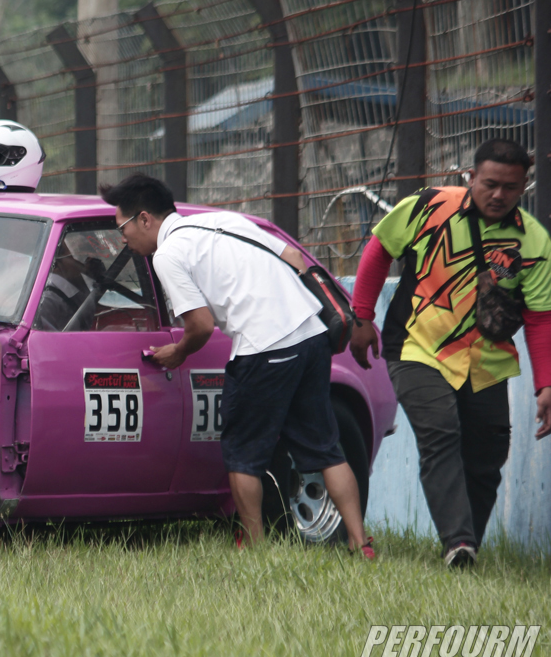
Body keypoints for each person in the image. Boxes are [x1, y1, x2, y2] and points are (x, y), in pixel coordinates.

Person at [103, 173, 371, 554]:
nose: (124, 240)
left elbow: (201, 325)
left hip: (265, 347)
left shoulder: (168, 253)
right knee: (326, 447)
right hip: (312, 334)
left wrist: (177, 353)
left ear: (144, 219)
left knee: (243, 454)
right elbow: (294, 257)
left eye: (123, 229)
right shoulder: (221, 219)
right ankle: (361, 543)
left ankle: (255, 548)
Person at [350, 138, 551, 568]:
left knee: (486, 458)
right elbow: (380, 248)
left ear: (524, 186)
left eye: (511, 188)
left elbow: (539, 318)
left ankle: (466, 550)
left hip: (487, 362)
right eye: (490, 184)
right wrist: (361, 317)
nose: (499, 195)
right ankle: (457, 541)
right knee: (439, 431)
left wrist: (545, 383)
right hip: (416, 347)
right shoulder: (428, 206)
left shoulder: (532, 241)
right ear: (470, 177)